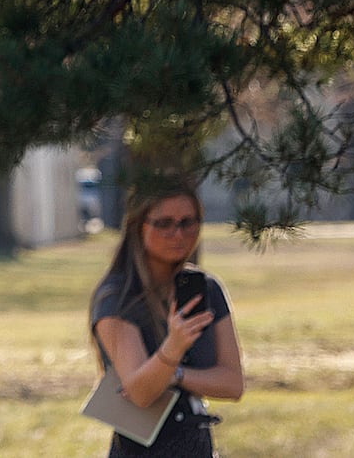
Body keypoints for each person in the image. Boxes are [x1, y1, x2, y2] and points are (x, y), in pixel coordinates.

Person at [88, 180, 244, 457]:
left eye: (188, 222)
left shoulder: (206, 289)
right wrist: (174, 347)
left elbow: (232, 383)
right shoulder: (117, 297)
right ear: (139, 226)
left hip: (196, 446)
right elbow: (140, 392)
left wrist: (175, 374)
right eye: (164, 223)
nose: (178, 233)